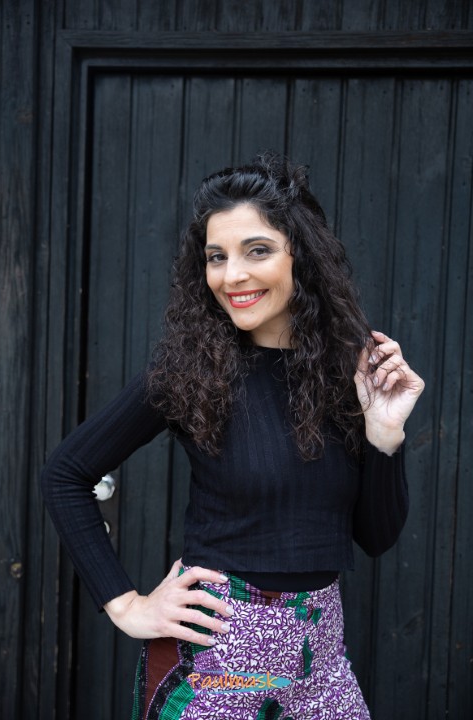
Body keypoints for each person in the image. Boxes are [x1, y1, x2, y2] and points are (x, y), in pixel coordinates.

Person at [42, 152, 425, 720]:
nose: (232, 276)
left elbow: (376, 536)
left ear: (302, 257)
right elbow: (66, 474)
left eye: (257, 250)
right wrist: (125, 605)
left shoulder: (348, 373)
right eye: (216, 257)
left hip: (321, 663)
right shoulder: (188, 372)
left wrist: (385, 435)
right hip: (217, 660)